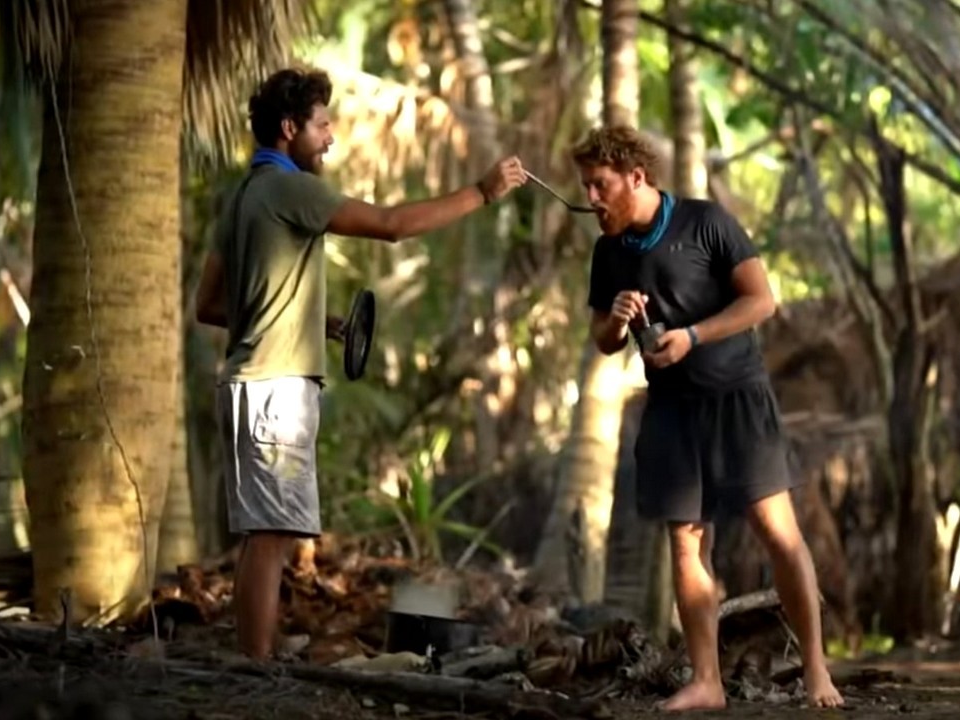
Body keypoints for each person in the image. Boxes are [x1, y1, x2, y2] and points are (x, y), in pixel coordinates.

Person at [194, 67, 527, 659]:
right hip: (274, 392)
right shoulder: (292, 188)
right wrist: (481, 192)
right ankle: (256, 666)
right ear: (289, 128)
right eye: (321, 125)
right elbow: (392, 226)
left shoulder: (242, 197)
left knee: (263, 533)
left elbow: (210, 306)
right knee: (271, 535)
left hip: (246, 382)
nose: (330, 137)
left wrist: (307, 320)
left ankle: (256, 652)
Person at [573, 125, 844, 712]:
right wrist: (616, 319)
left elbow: (760, 301)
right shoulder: (609, 251)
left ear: (636, 177)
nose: (590, 198)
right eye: (586, 186)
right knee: (687, 542)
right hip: (671, 409)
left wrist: (692, 336)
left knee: (778, 533)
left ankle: (817, 670)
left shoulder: (706, 222)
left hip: (736, 397)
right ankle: (707, 681)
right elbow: (603, 341)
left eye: (600, 185)